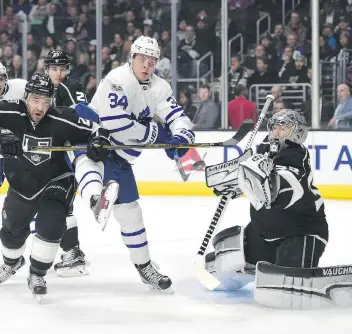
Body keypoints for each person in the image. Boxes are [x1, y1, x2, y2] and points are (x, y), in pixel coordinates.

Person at [76, 35, 195, 292]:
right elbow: (116, 123)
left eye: (152, 61)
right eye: (142, 59)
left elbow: (176, 116)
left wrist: (181, 136)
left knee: (131, 213)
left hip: (121, 158)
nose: (147, 66)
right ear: (132, 58)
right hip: (96, 144)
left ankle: (145, 268)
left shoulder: (160, 87)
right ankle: (96, 201)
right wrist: (158, 135)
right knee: (84, 171)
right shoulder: (116, 80)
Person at [0, 74, 111, 300]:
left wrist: (100, 141)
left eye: (46, 100)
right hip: (21, 183)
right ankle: (12, 262)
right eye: (35, 100)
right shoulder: (8, 112)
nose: (40, 107)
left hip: (55, 179)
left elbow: (97, 130)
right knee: (12, 232)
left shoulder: (63, 118)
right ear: (25, 98)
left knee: (51, 221)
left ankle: (37, 273)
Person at [207, 109, 329, 305]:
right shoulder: (265, 148)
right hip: (265, 233)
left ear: (297, 132)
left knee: (288, 285)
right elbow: (253, 180)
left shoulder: (296, 155)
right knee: (218, 267)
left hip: (301, 232)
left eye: (284, 127)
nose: (277, 131)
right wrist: (233, 180)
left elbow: (284, 191)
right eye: (275, 127)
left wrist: (255, 177)